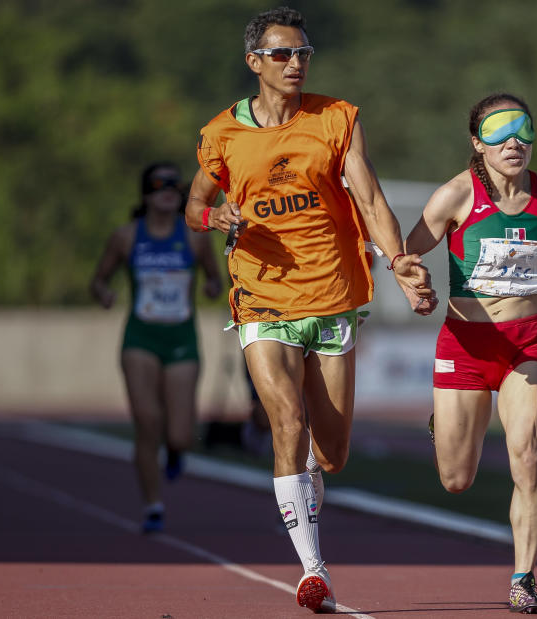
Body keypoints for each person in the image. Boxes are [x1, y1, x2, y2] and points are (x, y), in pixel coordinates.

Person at [184, 7, 434, 613]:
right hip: (261, 295)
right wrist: (214, 216)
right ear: (254, 63)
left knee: (332, 452)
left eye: (303, 53)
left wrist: (398, 262)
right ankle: (312, 567)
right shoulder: (223, 134)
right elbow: (196, 205)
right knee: (285, 423)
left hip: (332, 294)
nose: (294, 63)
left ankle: (309, 494)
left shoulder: (336, 120)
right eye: (281, 54)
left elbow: (370, 198)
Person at [405, 93, 537, 614]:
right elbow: (409, 252)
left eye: (523, 131)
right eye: (499, 133)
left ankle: (524, 579)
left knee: (528, 460)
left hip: (525, 345)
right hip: (466, 344)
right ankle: (443, 427)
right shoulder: (455, 196)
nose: (514, 143)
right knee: (456, 479)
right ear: (477, 142)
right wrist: (414, 284)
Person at [90, 161, 223, 533]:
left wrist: (214, 287)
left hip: (181, 338)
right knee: (147, 423)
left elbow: (215, 278)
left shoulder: (195, 237)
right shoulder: (127, 237)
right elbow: (98, 279)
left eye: (173, 185)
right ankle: (153, 505)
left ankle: (177, 451)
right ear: (146, 193)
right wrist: (104, 293)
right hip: (141, 339)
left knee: (179, 432)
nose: (167, 190)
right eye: (159, 184)